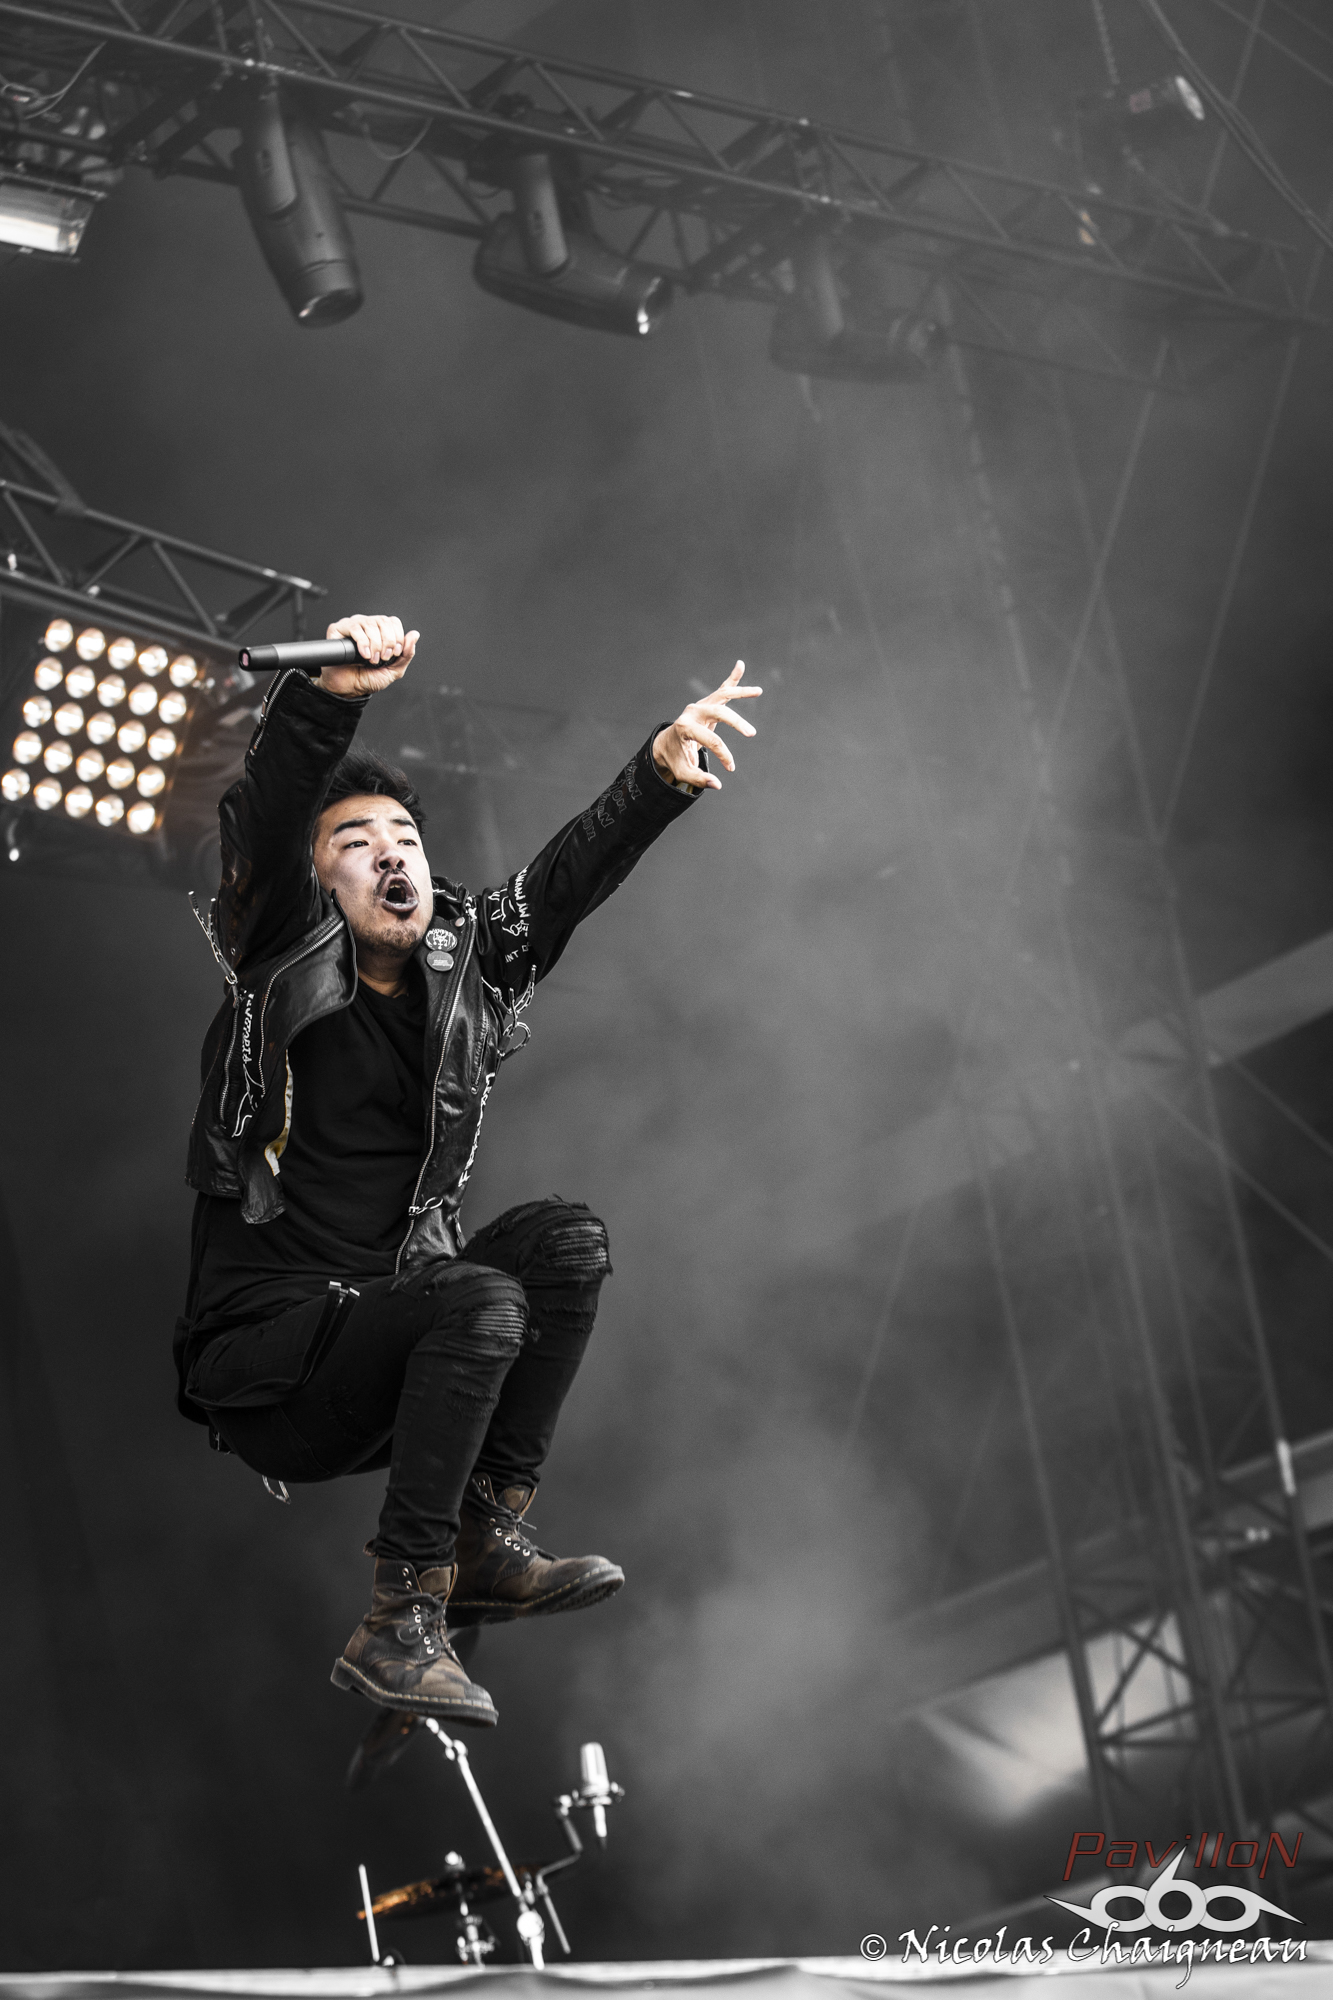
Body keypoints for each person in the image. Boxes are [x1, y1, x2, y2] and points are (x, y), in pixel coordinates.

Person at [174, 613, 761, 1727]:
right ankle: (401, 1617)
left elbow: (564, 880)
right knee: (481, 1295)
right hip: (269, 1370)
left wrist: (656, 773)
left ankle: (484, 1538)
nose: (390, 851)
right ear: (316, 879)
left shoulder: (469, 962)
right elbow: (269, 811)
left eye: (402, 833)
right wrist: (332, 698)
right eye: (356, 841)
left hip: (396, 1335)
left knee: (564, 1244)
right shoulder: (278, 947)